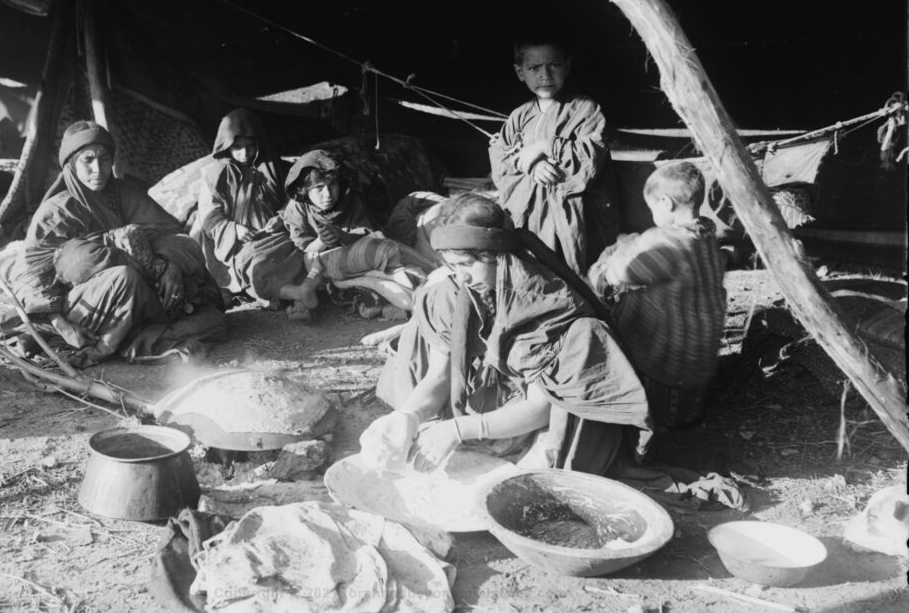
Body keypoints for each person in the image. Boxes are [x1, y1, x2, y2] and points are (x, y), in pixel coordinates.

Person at [359, 193, 649, 477]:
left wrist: (460, 429)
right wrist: (410, 415)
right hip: (494, 397)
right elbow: (440, 375)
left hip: (539, 412)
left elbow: (539, 408)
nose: (462, 278)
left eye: (466, 265)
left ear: (499, 257)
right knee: (419, 327)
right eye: (452, 267)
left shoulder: (544, 305)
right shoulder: (454, 292)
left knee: (536, 473)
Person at [3, 120, 223, 365]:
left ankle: (136, 338)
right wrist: (63, 327)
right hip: (82, 305)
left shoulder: (125, 194)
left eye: (104, 159)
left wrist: (171, 265)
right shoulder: (56, 213)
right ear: (71, 165)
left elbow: (174, 235)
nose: (98, 169)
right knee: (124, 277)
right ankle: (132, 340)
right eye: (88, 160)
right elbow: (29, 278)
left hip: (141, 290)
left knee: (216, 317)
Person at [588, 161, 727, 428]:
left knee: (618, 294)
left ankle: (647, 414)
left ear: (665, 203)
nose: (652, 214)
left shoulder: (664, 242)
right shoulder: (707, 236)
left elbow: (620, 273)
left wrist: (614, 256)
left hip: (665, 356)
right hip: (699, 354)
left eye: (652, 208)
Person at [488, 31, 619, 274]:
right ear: (520, 72)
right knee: (537, 272)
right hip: (531, 218)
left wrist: (546, 146)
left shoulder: (584, 109)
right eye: (534, 67)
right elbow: (501, 155)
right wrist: (530, 165)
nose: (545, 75)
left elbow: (590, 157)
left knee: (578, 276)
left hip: (572, 219)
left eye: (554, 65)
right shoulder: (519, 115)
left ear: (567, 66)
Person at [279, 149, 428, 320]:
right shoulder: (297, 207)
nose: (327, 194)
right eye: (319, 188)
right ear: (304, 190)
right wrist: (322, 241)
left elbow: (368, 237)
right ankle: (302, 300)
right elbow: (303, 246)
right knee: (302, 264)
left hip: (353, 255)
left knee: (385, 260)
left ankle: (410, 299)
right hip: (317, 259)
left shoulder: (350, 201)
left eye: (332, 185)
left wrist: (341, 236)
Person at [191, 108, 287, 302]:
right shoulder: (218, 174)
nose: (245, 153)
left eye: (251, 146)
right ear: (227, 146)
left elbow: (294, 199)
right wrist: (234, 229)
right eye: (238, 147)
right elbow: (209, 214)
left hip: (275, 234)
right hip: (237, 242)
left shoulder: (274, 167)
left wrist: (282, 217)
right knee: (257, 265)